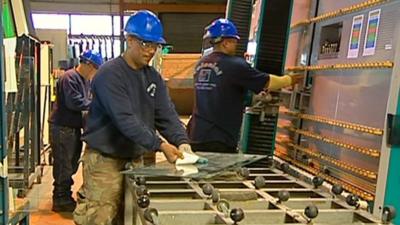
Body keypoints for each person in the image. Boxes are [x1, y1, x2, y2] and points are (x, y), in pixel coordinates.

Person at [73, 10, 192, 225]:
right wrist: (160, 145)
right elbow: (125, 119)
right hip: (105, 162)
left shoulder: (153, 77)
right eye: (145, 44)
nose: (151, 51)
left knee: (132, 217)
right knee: (98, 217)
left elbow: (167, 115)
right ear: (129, 39)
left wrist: (182, 142)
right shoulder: (109, 74)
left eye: (155, 45)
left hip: (135, 160)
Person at [187, 18, 303, 153]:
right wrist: (289, 79)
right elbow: (268, 82)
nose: (236, 46)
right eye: (234, 42)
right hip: (219, 138)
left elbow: (221, 91)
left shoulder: (200, 64)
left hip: (195, 134)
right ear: (225, 43)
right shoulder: (235, 65)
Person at [48, 49, 103, 212]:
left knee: (71, 163)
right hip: (63, 127)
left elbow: (87, 100)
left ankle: (65, 194)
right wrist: (98, 106)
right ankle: (60, 199)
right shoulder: (69, 78)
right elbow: (75, 103)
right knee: (64, 164)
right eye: (94, 69)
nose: (94, 73)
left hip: (73, 127)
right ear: (87, 64)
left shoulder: (84, 80)